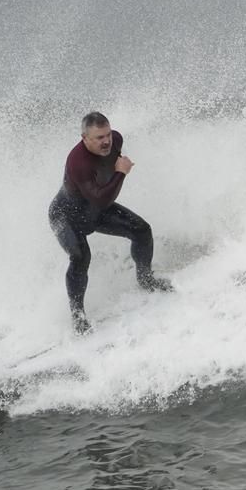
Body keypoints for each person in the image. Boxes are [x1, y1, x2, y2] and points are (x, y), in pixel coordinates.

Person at [48, 112, 172, 334]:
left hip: (95, 211)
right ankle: (78, 316)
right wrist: (121, 173)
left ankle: (146, 279)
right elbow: (101, 198)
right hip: (66, 216)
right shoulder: (78, 162)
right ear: (85, 138)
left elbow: (101, 196)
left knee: (142, 231)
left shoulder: (116, 140)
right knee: (80, 257)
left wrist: (116, 169)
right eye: (98, 138)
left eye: (107, 135)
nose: (106, 141)